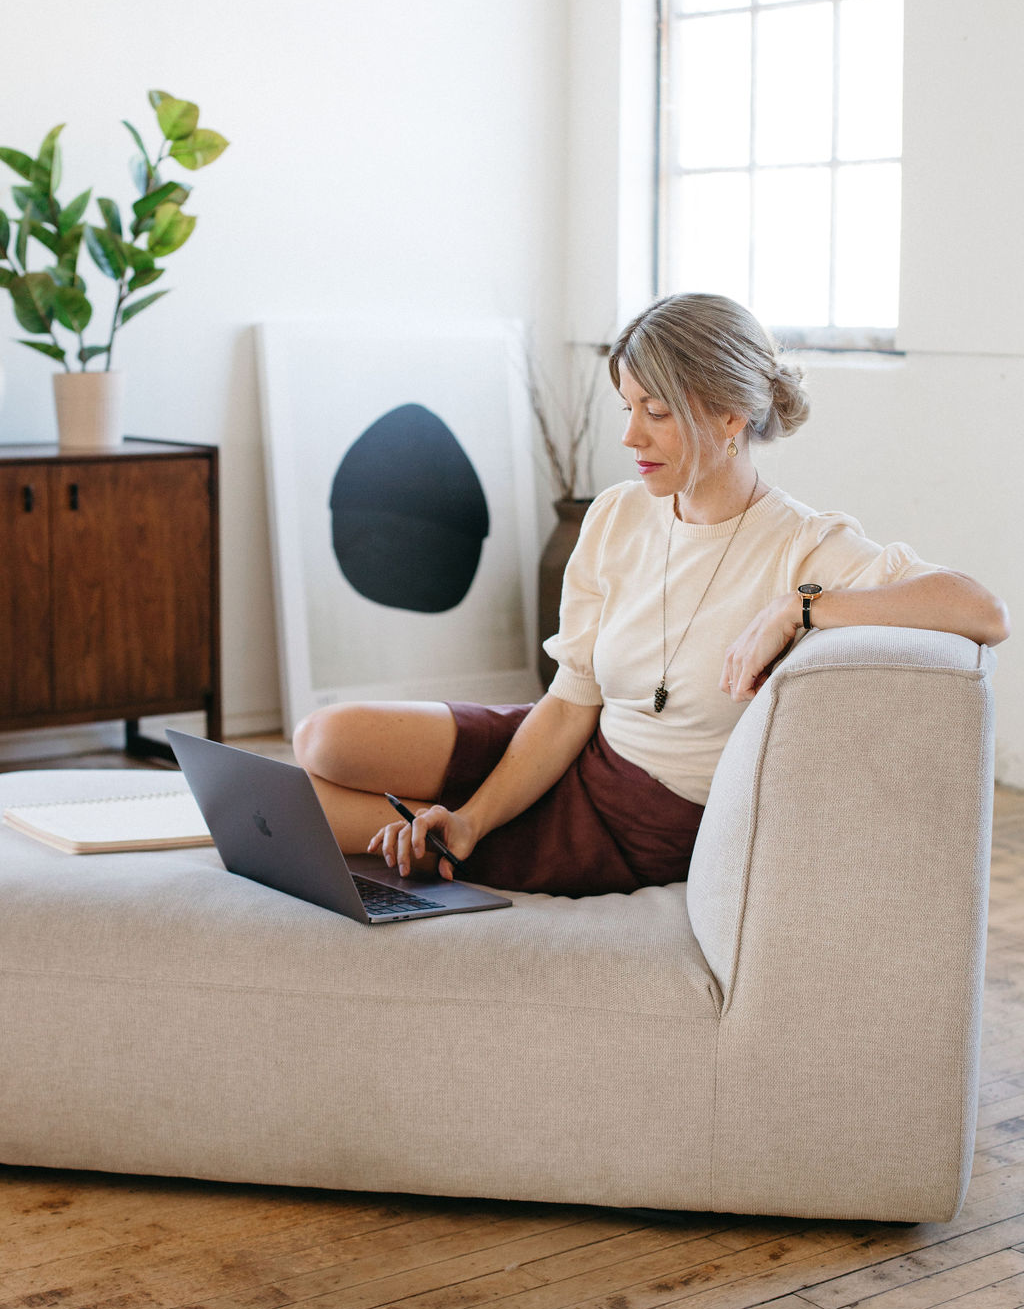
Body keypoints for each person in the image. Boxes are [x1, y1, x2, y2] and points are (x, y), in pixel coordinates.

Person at [292, 293, 1009, 898]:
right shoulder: (619, 513)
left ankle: (437, 832)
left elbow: (981, 610)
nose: (632, 435)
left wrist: (801, 608)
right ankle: (453, 828)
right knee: (324, 738)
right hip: (575, 743)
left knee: (315, 814)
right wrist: (475, 818)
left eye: (656, 411)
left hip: (641, 822)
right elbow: (572, 701)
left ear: (731, 417)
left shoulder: (803, 546)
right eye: (627, 406)